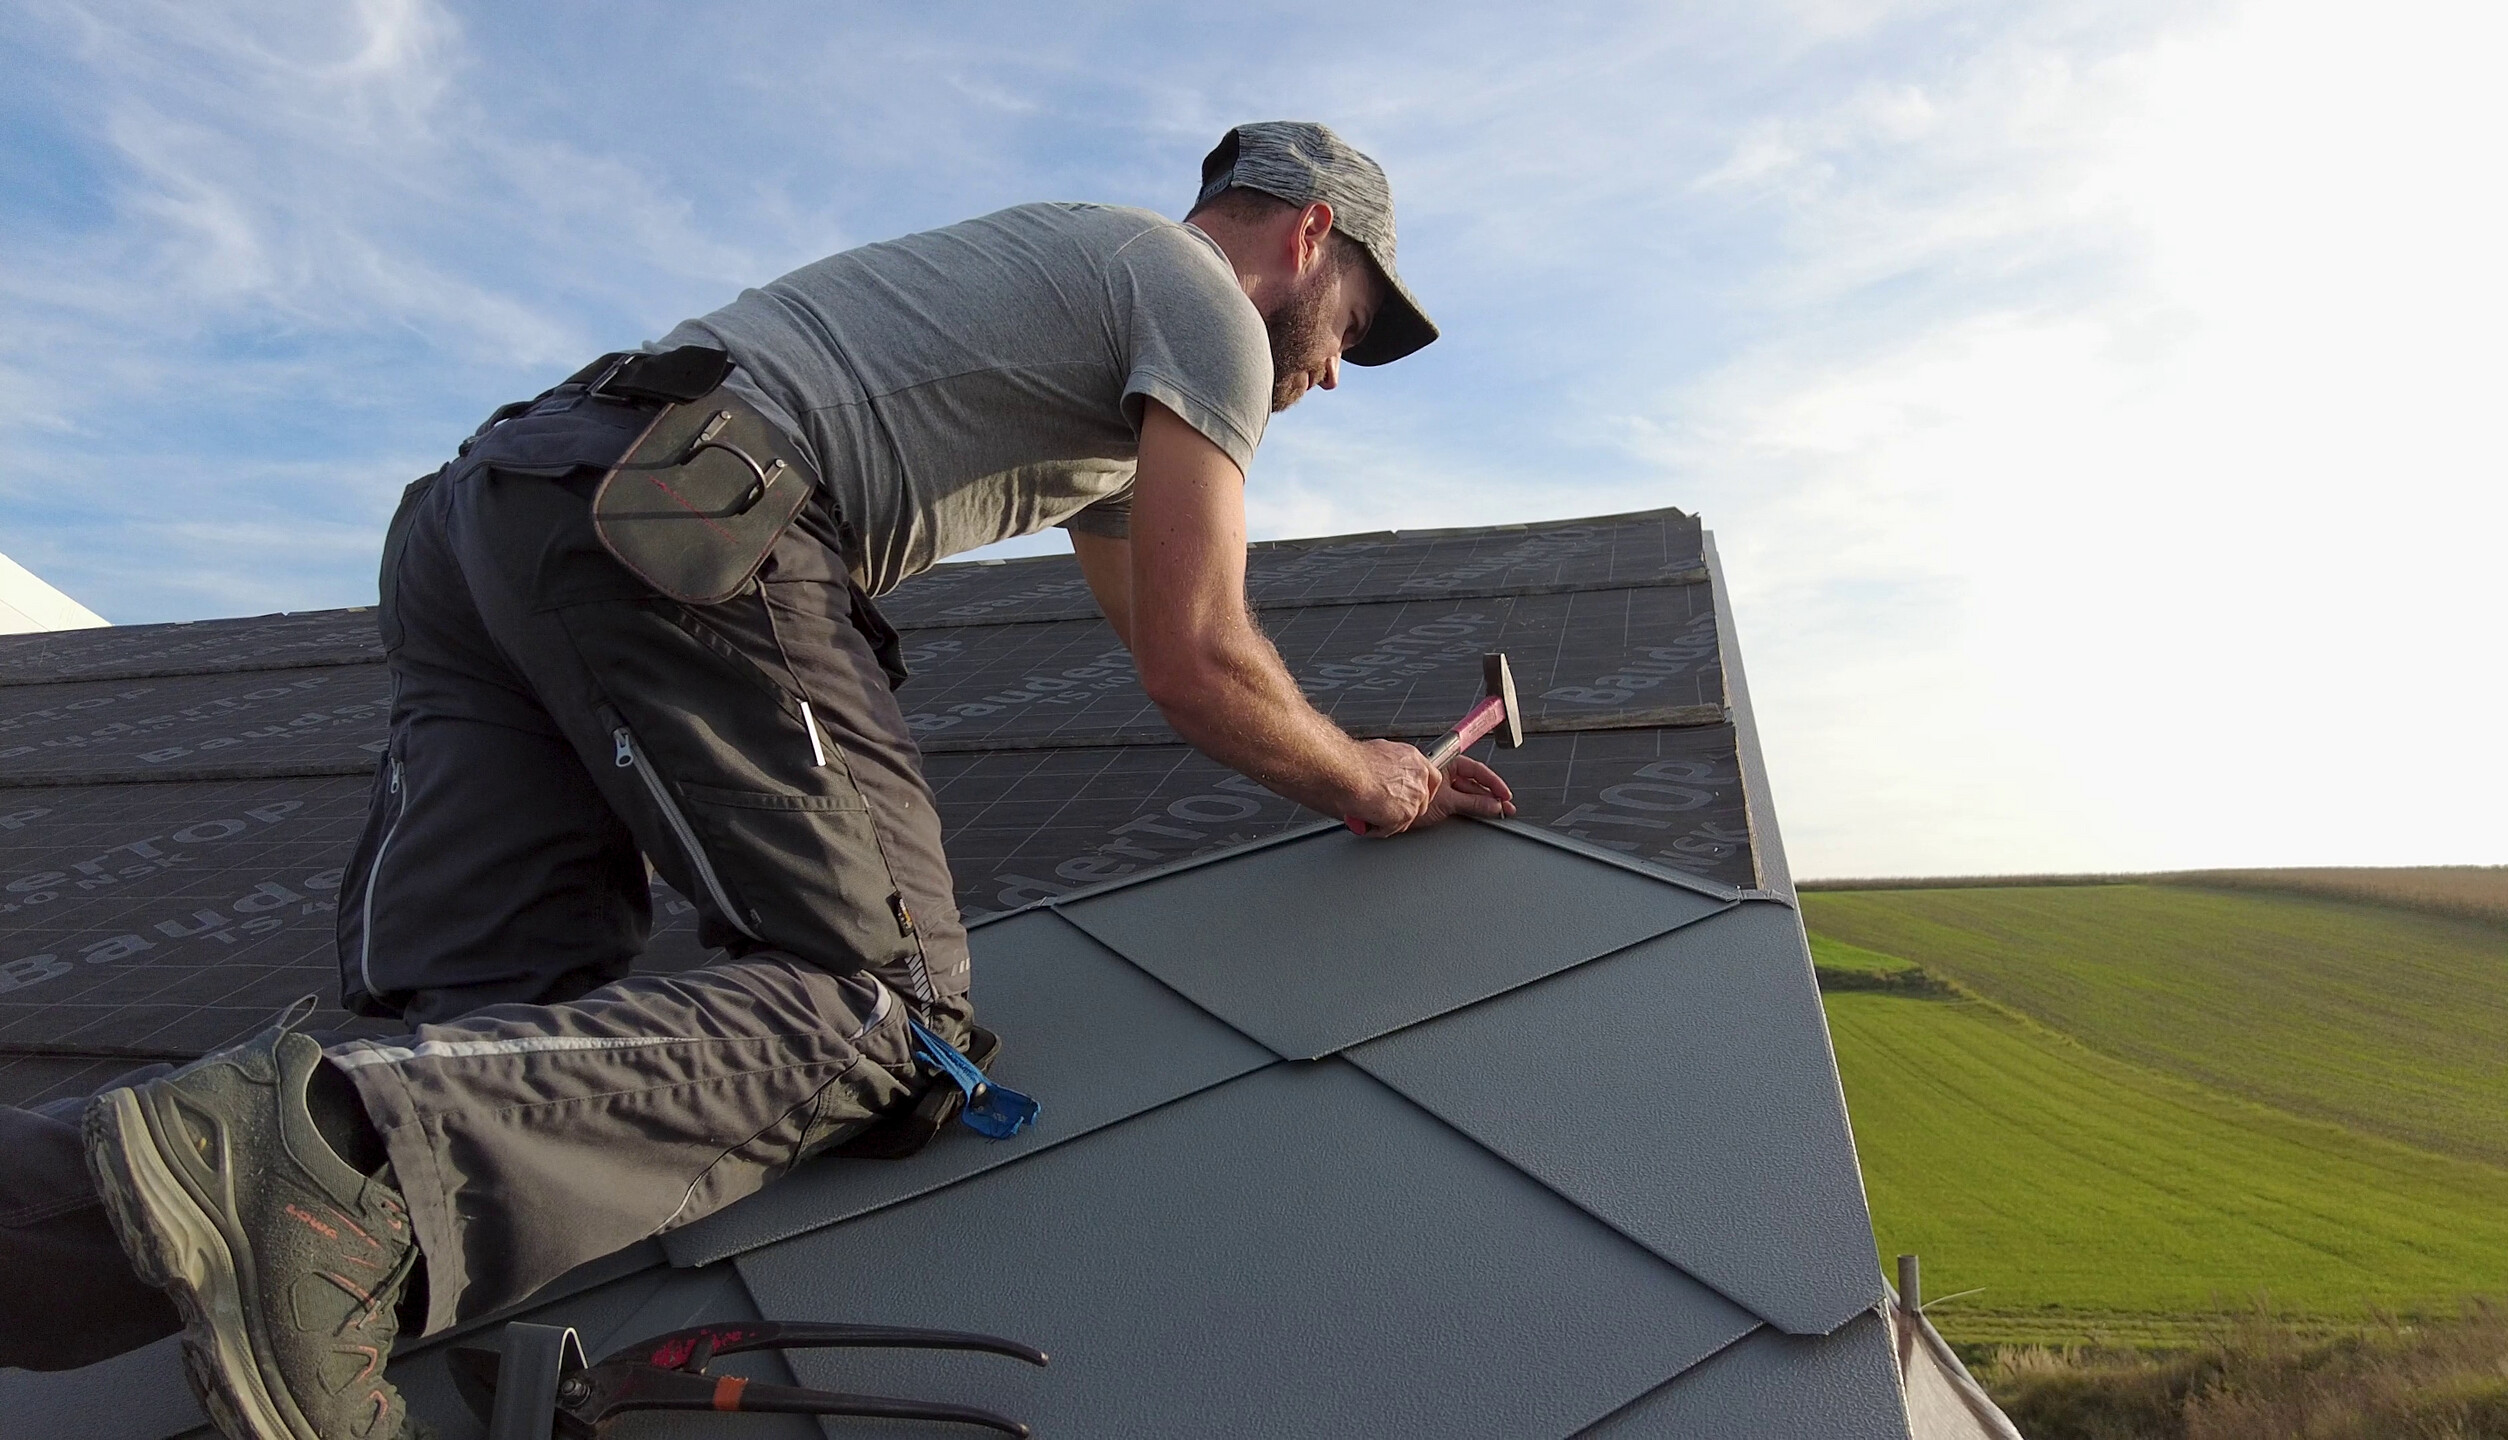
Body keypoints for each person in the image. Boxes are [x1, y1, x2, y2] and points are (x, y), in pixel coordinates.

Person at [18, 120, 1512, 1440]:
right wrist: (1367, 784)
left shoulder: (1095, 317)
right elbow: (1204, 657)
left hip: (506, 509)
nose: (1333, 368)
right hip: (692, 517)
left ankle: (61, 1239)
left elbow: (1174, 662)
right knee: (885, 1010)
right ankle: (304, 1175)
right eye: (1353, 325)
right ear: (1310, 234)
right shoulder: (1205, 310)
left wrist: (1342, 768)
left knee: (493, 1043)